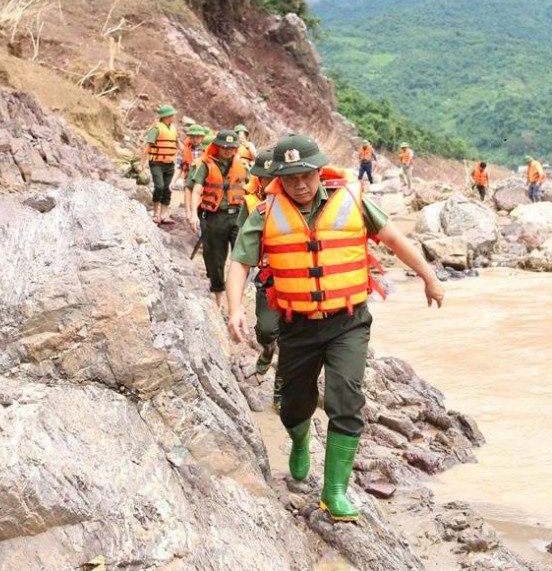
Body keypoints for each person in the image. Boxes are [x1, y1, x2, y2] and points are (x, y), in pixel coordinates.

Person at [224, 135, 444, 522]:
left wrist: (428, 275)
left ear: (318, 170)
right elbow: (240, 262)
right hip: (297, 326)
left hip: (348, 322)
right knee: (293, 406)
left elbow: (393, 238)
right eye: (290, 179)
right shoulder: (265, 211)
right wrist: (234, 308)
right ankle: (299, 438)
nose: (300, 185)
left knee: (346, 397)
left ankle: (335, 492)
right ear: (278, 179)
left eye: (306, 176)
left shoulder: (352, 199)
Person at [187, 129, 249, 308]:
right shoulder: (206, 165)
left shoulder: (242, 165)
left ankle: (236, 302)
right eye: (224, 147)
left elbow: (252, 186)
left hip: (237, 216)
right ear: (217, 147)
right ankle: (218, 299)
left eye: (231, 147)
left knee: (241, 257)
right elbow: (197, 189)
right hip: (215, 217)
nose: (228, 150)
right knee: (217, 260)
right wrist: (192, 213)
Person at [145, 104, 179, 225]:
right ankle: (155, 213)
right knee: (159, 186)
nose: (174, 117)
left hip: (170, 163)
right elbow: (147, 146)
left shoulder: (173, 129)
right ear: (166, 116)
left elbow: (178, 143)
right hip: (156, 163)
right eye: (172, 115)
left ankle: (163, 215)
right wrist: (141, 164)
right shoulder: (156, 129)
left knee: (168, 188)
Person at [179, 124, 208, 211]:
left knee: (200, 197)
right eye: (193, 137)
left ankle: (196, 212)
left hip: (202, 179)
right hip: (189, 178)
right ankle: (188, 213)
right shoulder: (185, 150)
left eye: (198, 137)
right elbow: (179, 166)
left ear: (202, 137)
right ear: (189, 138)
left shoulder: (206, 150)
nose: (195, 140)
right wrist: (173, 181)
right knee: (188, 194)